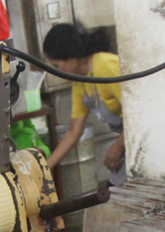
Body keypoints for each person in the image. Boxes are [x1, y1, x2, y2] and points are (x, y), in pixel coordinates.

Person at [42, 23, 127, 186]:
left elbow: (140, 114)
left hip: (144, 135)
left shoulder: (105, 65)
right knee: (116, 191)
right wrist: (45, 168)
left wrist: (118, 146)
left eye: (56, 66)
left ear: (70, 56)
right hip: (127, 139)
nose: (56, 72)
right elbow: (74, 131)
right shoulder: (80, 82)